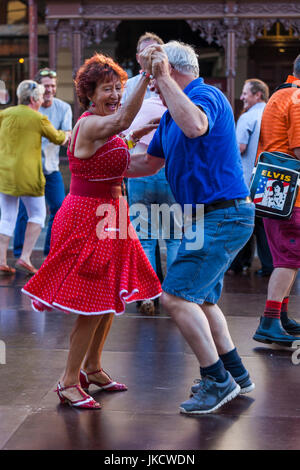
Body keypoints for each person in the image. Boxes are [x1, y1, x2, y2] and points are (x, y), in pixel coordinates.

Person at [22, 53, 162, 409]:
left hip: (111, 215)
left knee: (108, 300)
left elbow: (122, 160)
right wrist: (147, 76)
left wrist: (148, 141)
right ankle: (69, 382)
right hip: (87, 218)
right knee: (91, 303)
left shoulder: (104, 125)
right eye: (107, 89)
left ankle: (93, 368)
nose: (115, 94)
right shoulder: (88, 124)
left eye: (119, 88)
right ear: (89, 94)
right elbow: (123, 119)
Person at [126, 41, 256, 415]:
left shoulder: (205, 95)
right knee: (203, 300)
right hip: (206, 217)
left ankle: (216, 380)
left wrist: (163, 76)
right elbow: (147, 164)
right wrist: (100, 161)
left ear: (170, 69)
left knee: (176, 297)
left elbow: (197, 126)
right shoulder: (170, 115)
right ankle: (236, 373)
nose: (149, 83)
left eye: (152, 75)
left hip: (223, 214)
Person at [253, 54, 300, 344]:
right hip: (293, 192)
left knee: (288, 254)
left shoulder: (278, 95)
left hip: (274, 186)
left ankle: (280, 316)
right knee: (290, 256)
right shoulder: (298, 98)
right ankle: (270, 321)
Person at [0, 80, 68, 276]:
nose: (40, 101)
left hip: (6, 175)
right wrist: (71, 136)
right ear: (32, 99)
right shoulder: (38, 118)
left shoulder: (4, 114)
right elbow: (59, 138)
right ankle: (25, 257)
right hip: (29, 176)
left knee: (7, 216)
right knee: (38, 215)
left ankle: (2, 260)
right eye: (38, 97)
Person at [126, 95, 181, 315]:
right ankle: (175, 293)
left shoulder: (140, 105)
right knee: (174, 237)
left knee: (145, 238)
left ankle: (147, 293)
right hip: (169, 173)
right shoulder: (180, 107)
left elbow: (126, 138)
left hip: (140, 173)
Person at [14, 68, 73, 259]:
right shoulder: (30, 107)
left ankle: (50, 252)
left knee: (59, 207)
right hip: (29, 169)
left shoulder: (63, 108)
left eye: (53, 86)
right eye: (46, 86)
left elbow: (68, 134)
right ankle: (20, 253)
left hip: (51, 167)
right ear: (38, 87)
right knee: (24, 212)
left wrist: (56, 137)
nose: (50, 89)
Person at [228, 79, 273, 277]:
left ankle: (239, 264)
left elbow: (238, 148)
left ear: (258, 95)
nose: (242, 97)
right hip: (270, 179)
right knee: (264, 225)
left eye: (245, 93)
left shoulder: (249, 117)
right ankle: (268, 264)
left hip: (247, 179)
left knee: (243, 222)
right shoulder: (275, 114)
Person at [121, 32, 164, 104]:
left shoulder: (174, 83)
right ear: (138, 58)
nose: (148, 55)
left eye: (153, 51)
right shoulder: (128, 85)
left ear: (162, 55)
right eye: (144, 52)